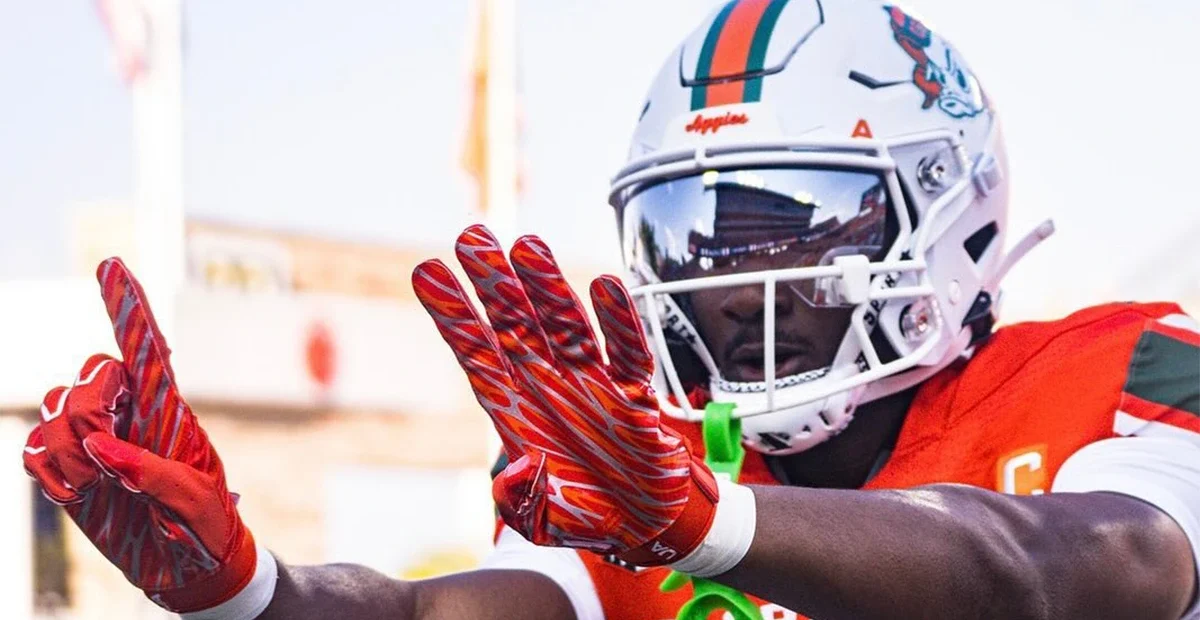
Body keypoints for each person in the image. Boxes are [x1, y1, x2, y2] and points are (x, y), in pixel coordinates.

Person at [24, 2, 1200, 619]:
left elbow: (1065, 573)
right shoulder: (651, 463)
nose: (728, 281)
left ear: (953, 209)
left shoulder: (1134, 370)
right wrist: (251, 590)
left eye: (783, 221)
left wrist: (712, 524)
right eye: (693, 232)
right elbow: (423, 618)